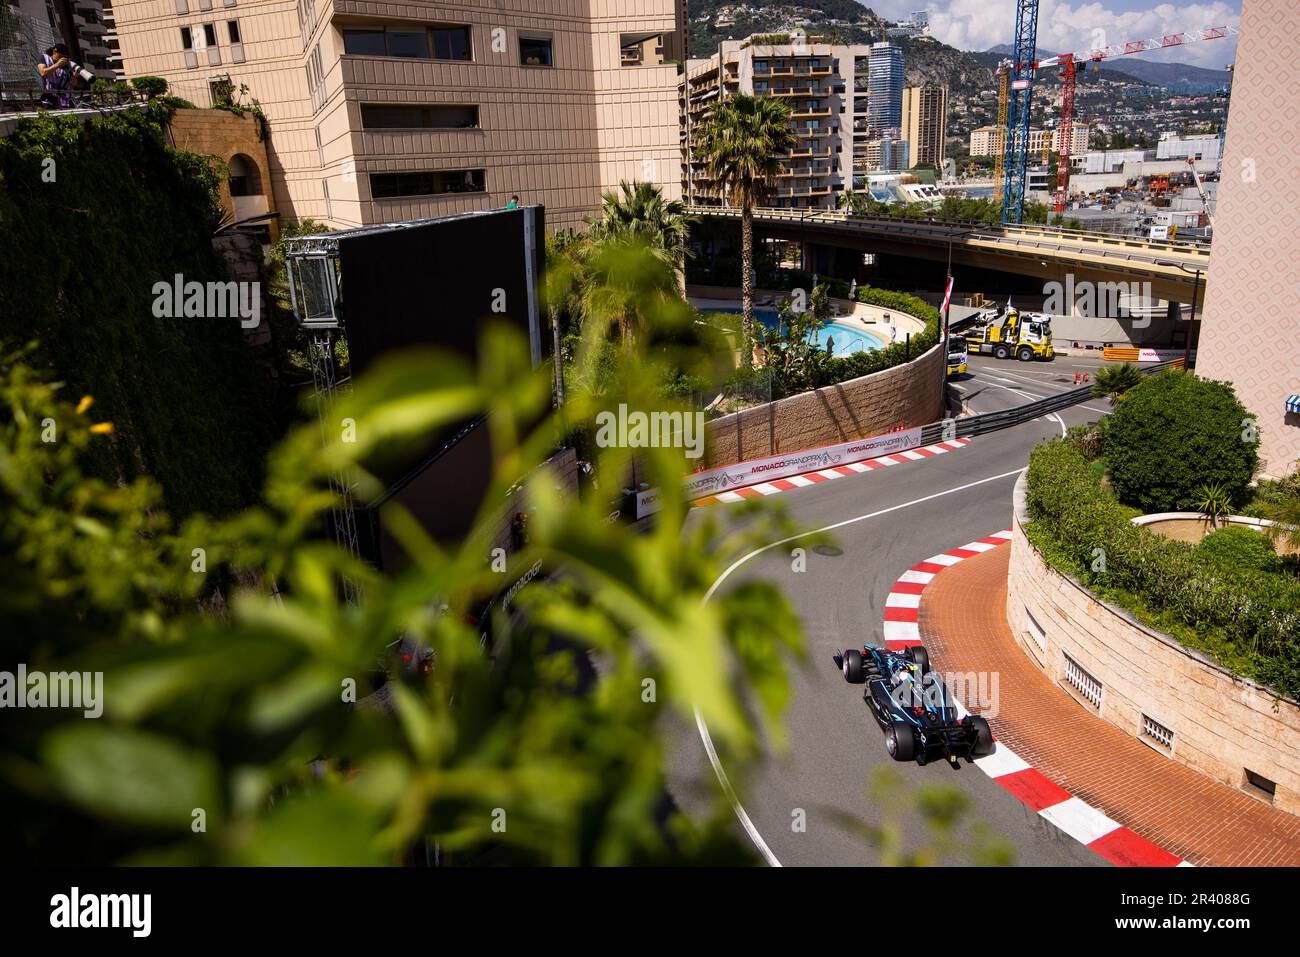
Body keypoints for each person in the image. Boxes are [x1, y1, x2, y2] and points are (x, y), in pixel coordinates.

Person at [37, 43, 72, 108]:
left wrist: (75, 76)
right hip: (48, 99)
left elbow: (73, 83)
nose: (62, 59)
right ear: (54, 52)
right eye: (60, 56)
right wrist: (57, 65)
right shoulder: (44, 58)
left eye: (65, 57)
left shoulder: (67, 65)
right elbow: (43, 73)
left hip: (65, 101)